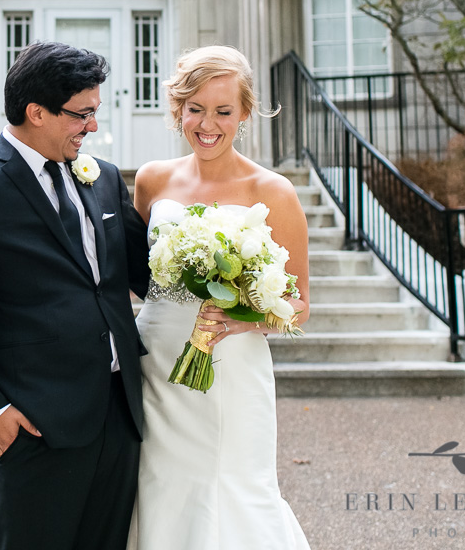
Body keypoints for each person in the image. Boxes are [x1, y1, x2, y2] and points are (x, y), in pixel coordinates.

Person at [0, 41, 150, 550]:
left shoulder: (105, 178)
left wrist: (225, 270)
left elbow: (145, 277)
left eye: (94, 113)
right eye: (81, 115)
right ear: (36, 112)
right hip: (31, 423)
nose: (92, 126)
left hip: (119, 413)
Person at [127, 45, 311, 550]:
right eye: (196, 109)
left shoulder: (272, 190)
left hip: (230, 365)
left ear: (245, 113)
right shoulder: (151, 180)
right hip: (157, 361)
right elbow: (134, 273)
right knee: (158, 481)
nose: (208, 124)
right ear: (178, 110)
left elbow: (299, 305)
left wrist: (242, 320)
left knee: (232, 484)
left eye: (223, 111)